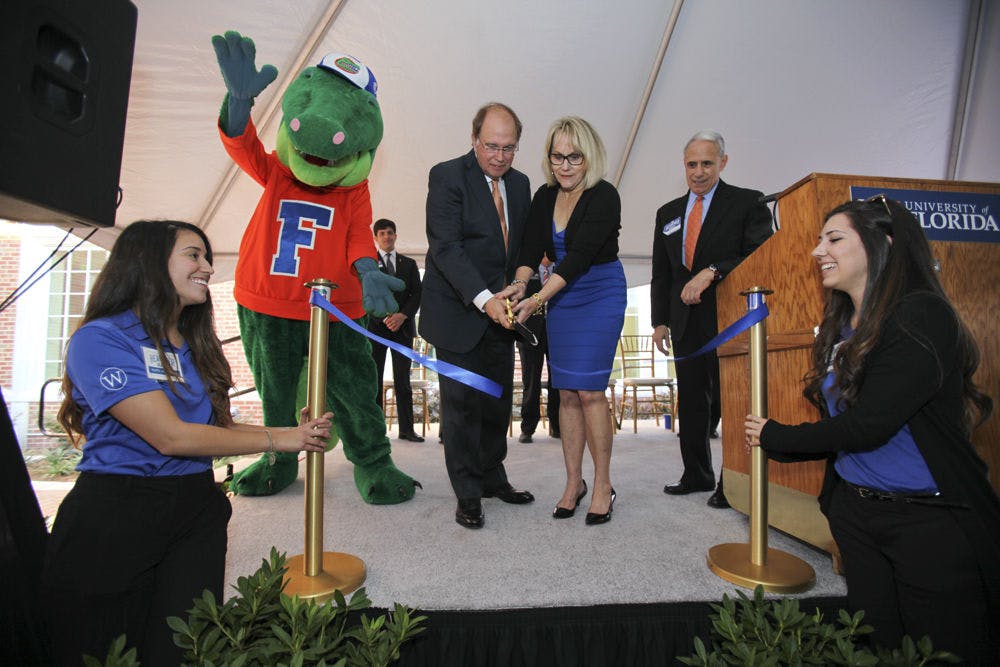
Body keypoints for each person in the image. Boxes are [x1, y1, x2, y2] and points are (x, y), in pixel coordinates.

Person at [40, 220, 332, 666]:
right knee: (101, 647)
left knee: (185, 647)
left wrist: (293, 438)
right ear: (149, 261)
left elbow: (216, 427)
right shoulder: (101, 339)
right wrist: (278, 438)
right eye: (193, 255)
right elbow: (170, 436)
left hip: (196, 509)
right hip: (118, 509)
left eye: (206, 256)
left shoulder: (189, 343)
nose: (208, 267)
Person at [745, 197, 999, 664]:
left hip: (927, 523)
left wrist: (776, 437)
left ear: (882, 245)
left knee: (942, 651)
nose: (817, 250)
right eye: (820, 239)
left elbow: (868, 425)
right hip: (858, 517)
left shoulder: (922, 315)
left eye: (834, 239)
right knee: (876, 647)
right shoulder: (842, 323)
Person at [502, 116, 626, 525]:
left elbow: (577, 259)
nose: (566, 165)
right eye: (558, 156)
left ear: (589, 157)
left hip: (597, 291)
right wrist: (520, 285)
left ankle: (603, 483)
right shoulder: (545, 195)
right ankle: (574, 483)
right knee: (567, 395)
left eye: (575, 156)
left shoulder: (605, 195)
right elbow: (529, 248)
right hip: (560, 296)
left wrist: (536, 297)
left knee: (590, 392)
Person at [421, 102, 535, 529]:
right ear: (474, 139)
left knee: (496, 401)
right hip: (457, 311)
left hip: (501, 313)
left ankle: (493, 477)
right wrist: (485, 298)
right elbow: (445, 248)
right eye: (491, 146)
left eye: (509, 148)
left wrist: (520, 285)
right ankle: (467, 494)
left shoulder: (521, 185)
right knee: (462, 407)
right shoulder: (447, 176)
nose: (499, 156)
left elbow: (522, 245)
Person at [650, 130, 772, 508]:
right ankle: (697, 474)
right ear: (683, 165)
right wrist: (659, 321)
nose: (699, 172)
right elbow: (662, 273)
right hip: (684, 321)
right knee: (692, 401)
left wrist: (713, 270)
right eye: (692, 164)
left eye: (707, 163)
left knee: (732, 400)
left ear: (723, 162)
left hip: (729, 319)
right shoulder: (668, 213)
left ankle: (730, 481)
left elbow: (761, 256)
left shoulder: (747, 203)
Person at [367, 218, 424, 442]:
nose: (386, 237)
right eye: (381, 233)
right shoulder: (368, 264)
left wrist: (401, 316)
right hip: (376, 329)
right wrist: (384, 317)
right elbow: (365, 295)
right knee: (374, 380)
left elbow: (417, 294)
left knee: (403, 381)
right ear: (375, 238)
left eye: (390, 232)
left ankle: (407, 430)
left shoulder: (409, 264)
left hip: (403, 329)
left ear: (396, 235)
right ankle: (375, 432)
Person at [515, 257, 561, 443]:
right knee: (531, 381)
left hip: (557, 333)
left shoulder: (562, 268)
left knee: (557, 382)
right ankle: (528, 428)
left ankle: (557, 426)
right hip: (530, 334)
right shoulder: (525, 271)